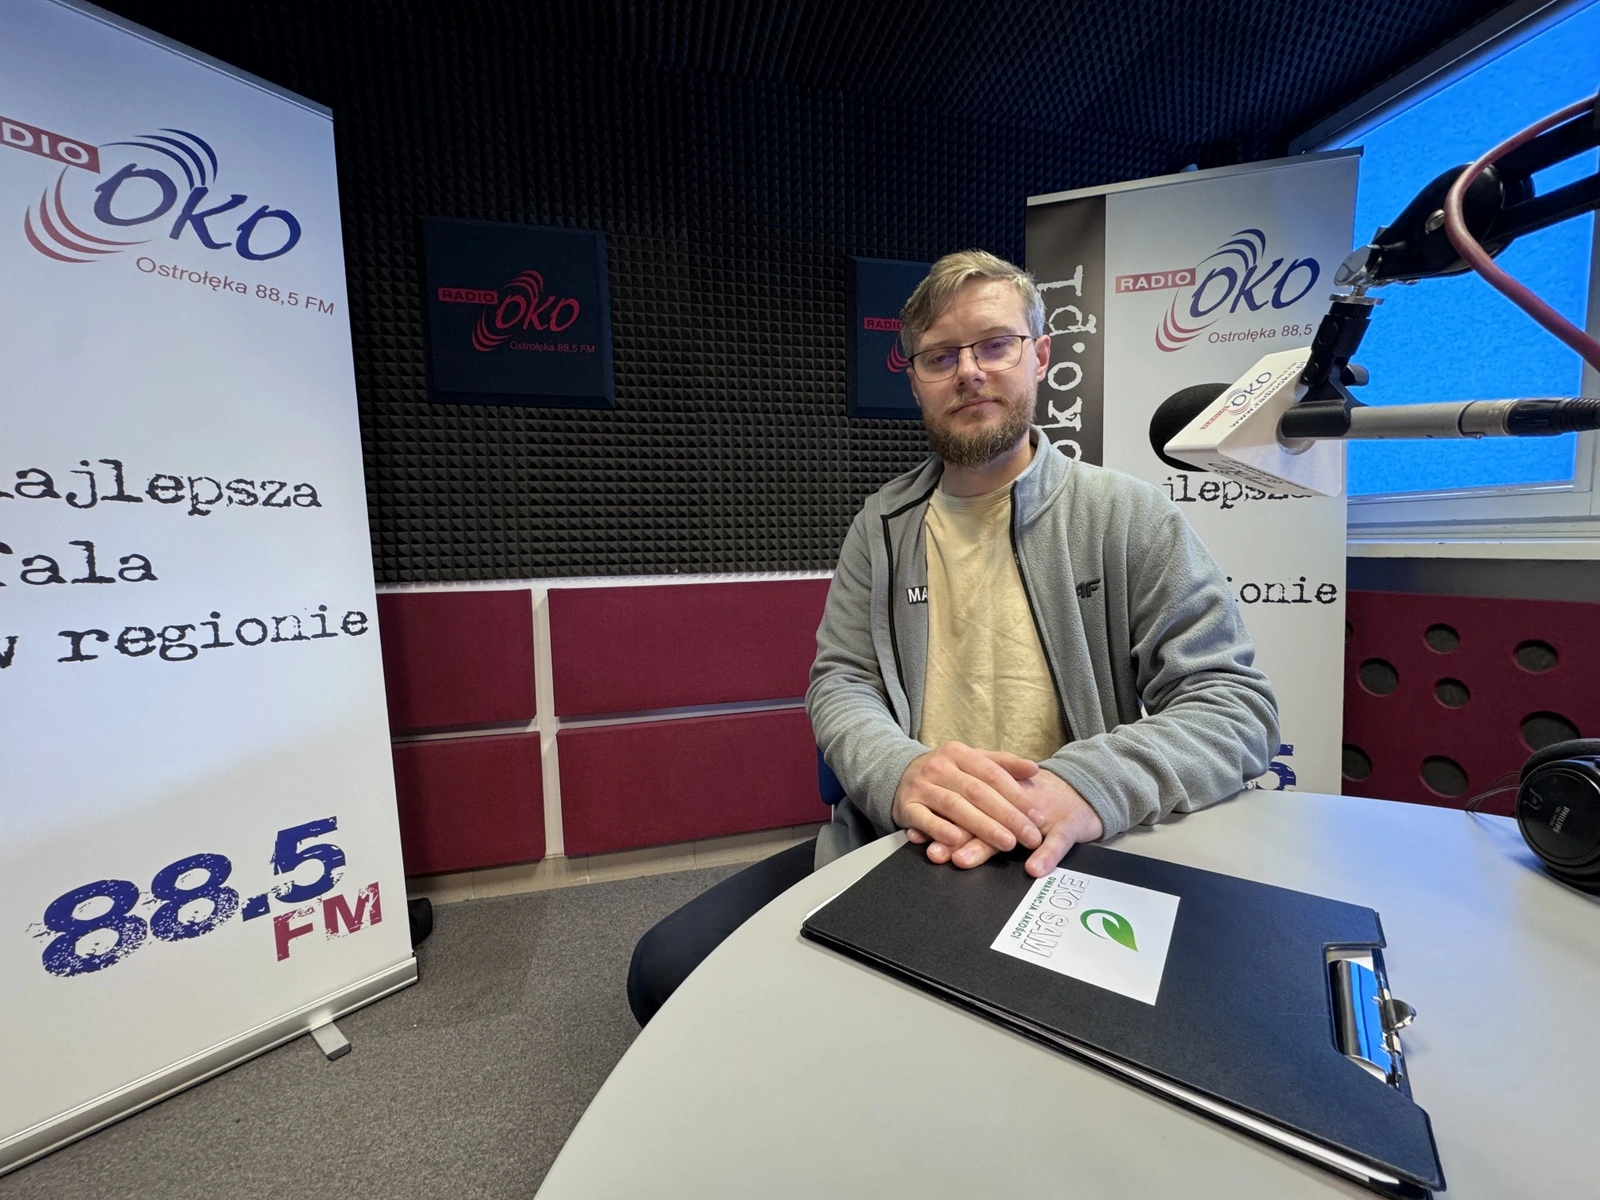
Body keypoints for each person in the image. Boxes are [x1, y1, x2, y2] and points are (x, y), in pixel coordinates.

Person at [626, 250, 1278, 1025]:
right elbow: (841, 680)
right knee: (665, 971)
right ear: (915, 379)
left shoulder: (1126, 517)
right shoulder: (883, 525)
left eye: (994, 345)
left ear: (1040, 355)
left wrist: (1081, 787)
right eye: (941, 356)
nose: (969, 372)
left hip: (1061, 851)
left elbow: (1233, 706)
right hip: (904, 846)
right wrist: (900, 772)